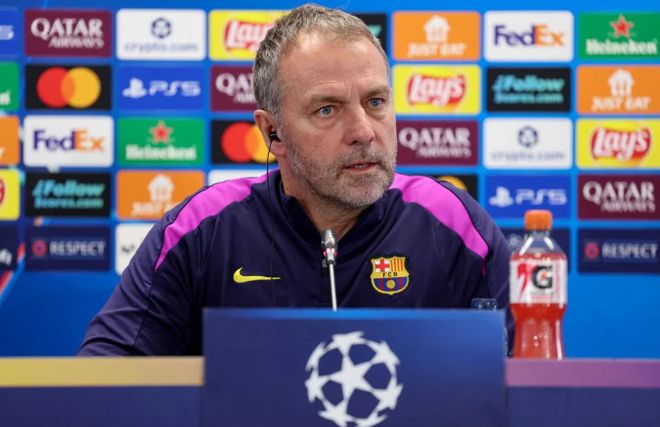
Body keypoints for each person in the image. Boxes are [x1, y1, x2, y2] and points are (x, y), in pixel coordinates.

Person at [79, 4, 511, 355]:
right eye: (327, 109)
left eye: (376, 101)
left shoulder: (454, 223)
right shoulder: (202, 231)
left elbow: (530, 380)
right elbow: (104, 382)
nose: (363, 131)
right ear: (273, 132)